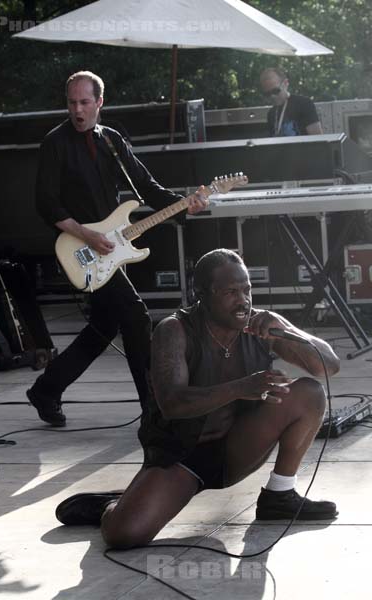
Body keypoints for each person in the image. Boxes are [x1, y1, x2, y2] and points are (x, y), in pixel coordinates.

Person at [55, 249, 340, 548]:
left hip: (236, 448)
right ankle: (115, 504)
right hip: (181, 457)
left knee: (308, 393)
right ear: (201, 294)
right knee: (124, 535)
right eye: (230, 292)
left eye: (247, 290)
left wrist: (286, 329)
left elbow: (328, 365)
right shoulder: (174, 330)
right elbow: (173, 404)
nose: (243, 300)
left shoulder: (260, 324)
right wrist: (242, 387)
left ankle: (279, 496)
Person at [27, 70, 209, 426]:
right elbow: (46, 203)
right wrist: (88, 236)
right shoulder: (55, 142)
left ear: (99, 103)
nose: (77, 110)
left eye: (84, 102)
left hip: (111, 251)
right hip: (80, 248)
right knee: (136, 316)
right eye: (71, 102)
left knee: (103, 328)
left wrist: (185, 203)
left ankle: (46, 389)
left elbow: (147, 187)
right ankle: (154, 409)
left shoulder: (112, 140)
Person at [260, 67, 323, 137]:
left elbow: (318, 139)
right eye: (267, 94)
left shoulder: (304, 104)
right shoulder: (271, 114)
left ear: (285, 83)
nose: (272, 96)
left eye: (275, 91)